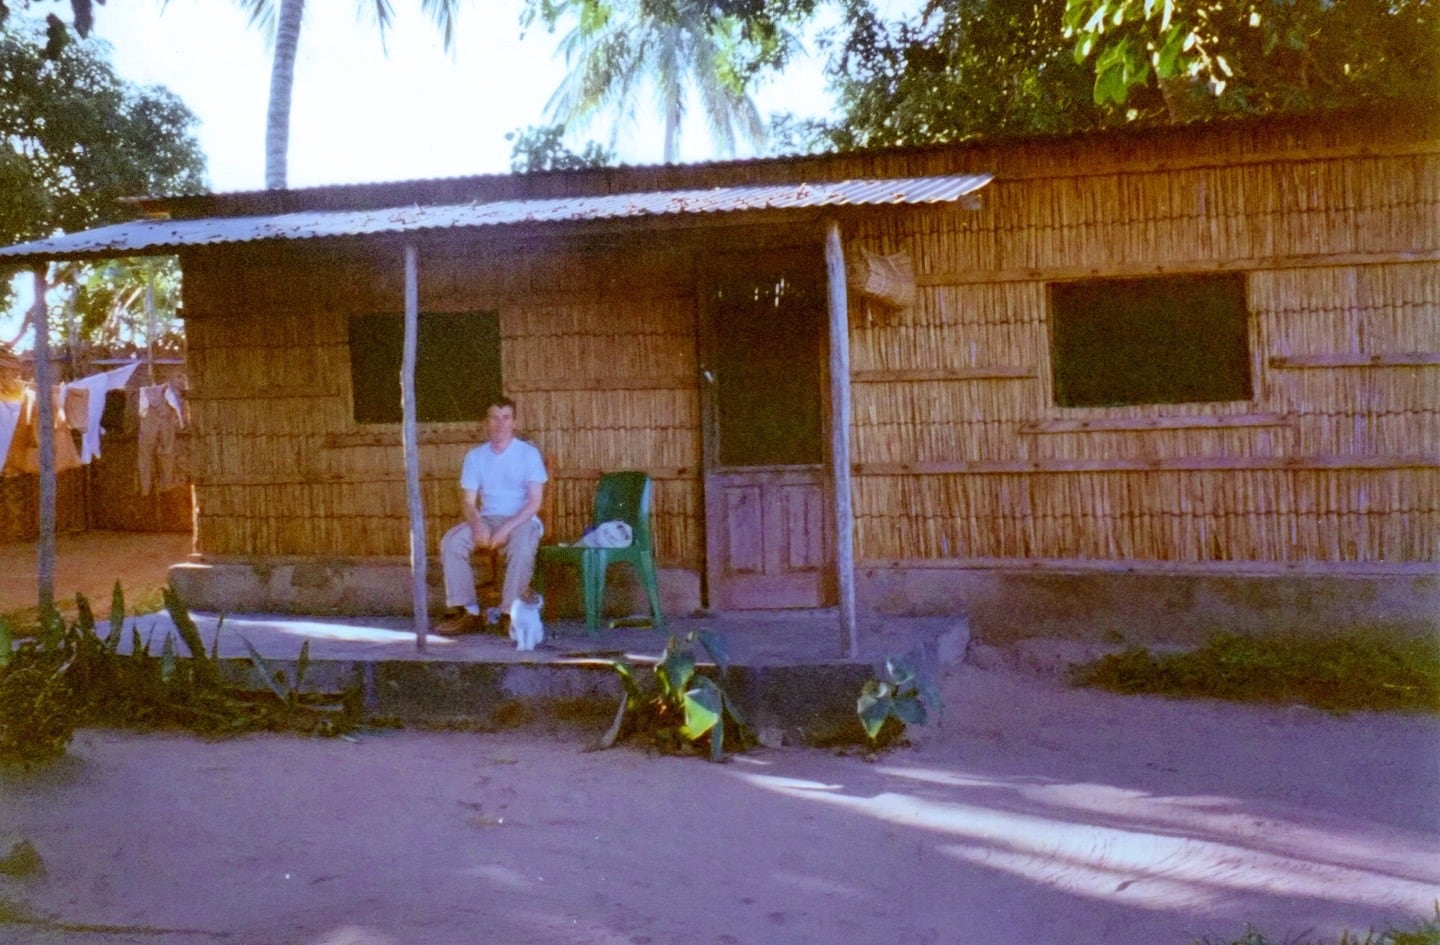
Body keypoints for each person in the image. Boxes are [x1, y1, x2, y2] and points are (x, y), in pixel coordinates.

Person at [435, 395, 548, 636]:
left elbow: (534, 502)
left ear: (514, 422)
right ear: (485, 422)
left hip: (521, 519)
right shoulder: (475, 457)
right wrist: (478, 525)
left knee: (522, 548)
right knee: (451, 543)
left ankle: (510, 613)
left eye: (506, 418)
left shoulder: (528, 454)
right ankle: (469, 611)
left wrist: (506, 529)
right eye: (494, 418)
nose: (500, 424)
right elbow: (468, 501)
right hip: (486, 518)